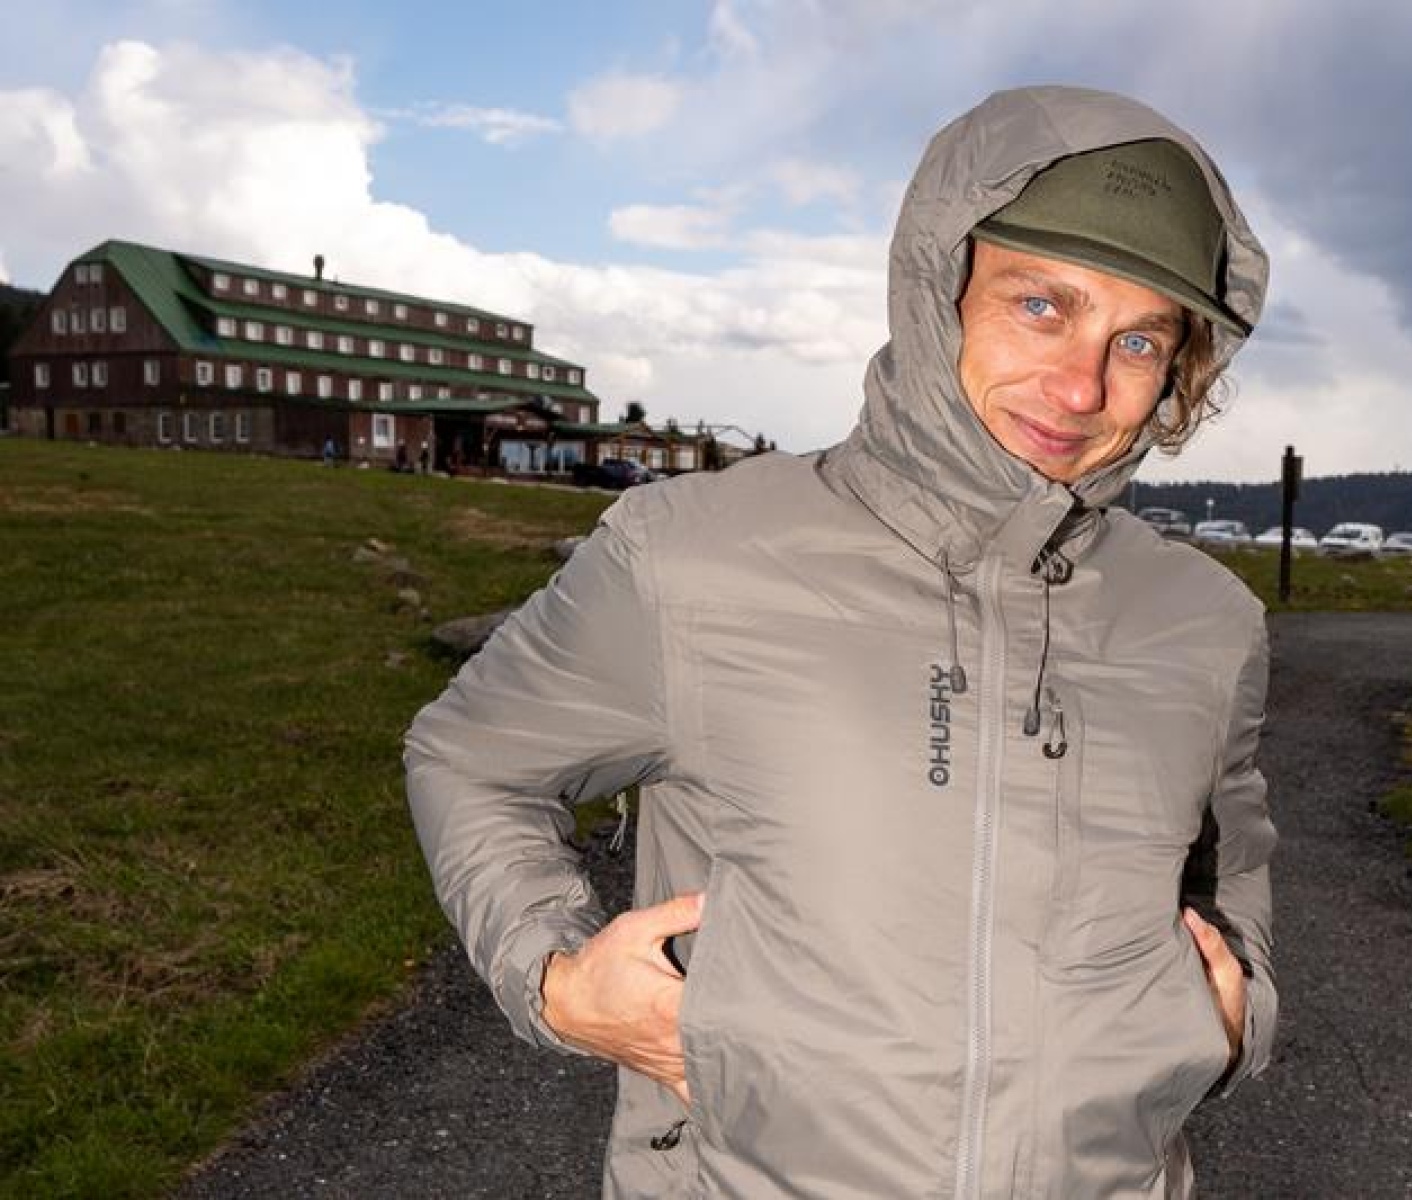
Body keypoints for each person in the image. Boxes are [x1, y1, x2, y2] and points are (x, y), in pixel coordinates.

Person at [406, 84, 1275, 1198]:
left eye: (1138, 339)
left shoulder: (1206, 621)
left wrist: (1234, 1009)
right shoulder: (690, 557)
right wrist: (554, 975)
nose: (1080, 386)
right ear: (936, 287)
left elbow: (1228, 857)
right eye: (1040, 306)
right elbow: (470, 759)